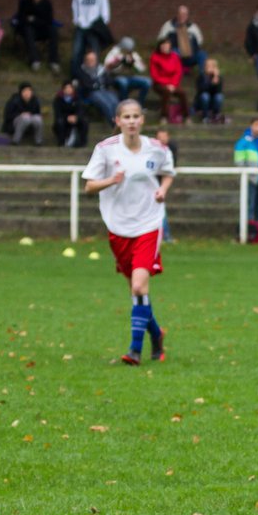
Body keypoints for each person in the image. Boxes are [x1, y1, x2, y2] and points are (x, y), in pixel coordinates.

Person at [81, 99, 174, 366]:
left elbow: (168, 173)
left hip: (148, 223)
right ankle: (156, 334)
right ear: (118, 121)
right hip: (118, 226)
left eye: (136, 116)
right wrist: (111, 180)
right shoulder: (106, 149)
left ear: (142, 120)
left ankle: (135, 350)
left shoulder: (156, 149)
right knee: (137, 292)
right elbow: (89, 187)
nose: (131, 121)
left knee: (138, 286)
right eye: (126, 117)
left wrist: (163, 190)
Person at [71, 0, 111, 76]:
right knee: (77, 51)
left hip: (94, 27)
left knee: (94, 52)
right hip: (81, 26)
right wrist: (76, 20)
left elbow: (105, 9)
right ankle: (75, 75)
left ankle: (93, 76)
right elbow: (75, 6)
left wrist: (102, 23)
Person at [15, 0, 60, 72]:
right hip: (31, 30)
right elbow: (21, 18)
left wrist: (34, 19)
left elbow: (49, 20)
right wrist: (37, 20)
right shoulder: (25, 2)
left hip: (43, 30)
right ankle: (34, 60)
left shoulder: (47, 3)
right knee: (28, 30)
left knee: (54, 30)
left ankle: (53, 61)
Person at [158, 5, 206, 74]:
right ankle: (175, 71)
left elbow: (200, 42)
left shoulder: (193, 27)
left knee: (202, 54)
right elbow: (160, 40)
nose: (182, 16)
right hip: (174, 54)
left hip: (190, 55)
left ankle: (203, 75)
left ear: (187, 15)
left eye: (184, 14)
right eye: (180, 14)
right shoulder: (168, 26)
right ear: (177, 14)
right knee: (175, 52)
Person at [76, 49, 120, 124]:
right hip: (92, 93)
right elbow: (87, 85)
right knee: (107, 104)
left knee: (115, 102)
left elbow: (108, 81)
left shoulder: (101, 68)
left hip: (104, 90)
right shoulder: (81, 71)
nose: (91, 62)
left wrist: (106, 80)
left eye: (93, 59)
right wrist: (98, 84)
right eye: (89, 60)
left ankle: (120, 121)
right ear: (85, 61)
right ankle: (114, 124)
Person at [149, 39, 188, 122]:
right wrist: (167, 84)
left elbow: (178, 72)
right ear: (159, 47)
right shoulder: (155, 57)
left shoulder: (175, 56)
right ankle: (164, 117)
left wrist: (173, 84)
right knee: (166, 92)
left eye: (167, 45)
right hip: (159, 83)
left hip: (173, 84)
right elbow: (154, 75)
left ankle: (186, 116)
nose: (165, 47)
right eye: (163, 45)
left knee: (182, 93)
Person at [104, 37, 150, 103]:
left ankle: (140, 104)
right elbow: (107, 66)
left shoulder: (133, 54)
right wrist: (119, 61)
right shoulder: (114, 52)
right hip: (116, 76)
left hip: (130, 77)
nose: (128, 50)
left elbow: (142, 69)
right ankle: (124, 104)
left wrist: (134, 62)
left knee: (147, 82)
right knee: (123, 82)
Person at [2, 82, 44, 146]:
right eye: (25, 91)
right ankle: (15, 140)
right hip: (15, 122)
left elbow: (37, 113)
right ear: (21, 92)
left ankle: (38, 141)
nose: (27, 93)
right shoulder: (14, 100)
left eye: (29, 91)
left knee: (38, 119)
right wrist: (20, 114)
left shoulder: (35, 101)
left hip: (30, 123)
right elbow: (7, 115)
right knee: (25, 118)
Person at [52, 81, 88, 147]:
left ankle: (82, 143)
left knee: (84, 121)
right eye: (66, 88)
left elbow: (81, 110)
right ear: (63, 89)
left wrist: (76, 117)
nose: (68, 89)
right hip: (63, 119)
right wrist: (67, 117)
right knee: (59, 122)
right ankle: (61, 143)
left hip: (75, 119)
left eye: (70, 87)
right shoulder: (58, 100)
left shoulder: (77, 98)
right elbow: (58, 113)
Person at [194, 57, 224, 123]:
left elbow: (219, 90)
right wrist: (211, 83)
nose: (210, 68)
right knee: (205, 95)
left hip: (213, 101)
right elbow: (201, 90)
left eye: (212, 66)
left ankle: (216, 115)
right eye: (208, 66)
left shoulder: (218, 77)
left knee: (219, 96)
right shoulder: (201, 77)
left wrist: (216, 77)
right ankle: (205, 116)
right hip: (202, 101)